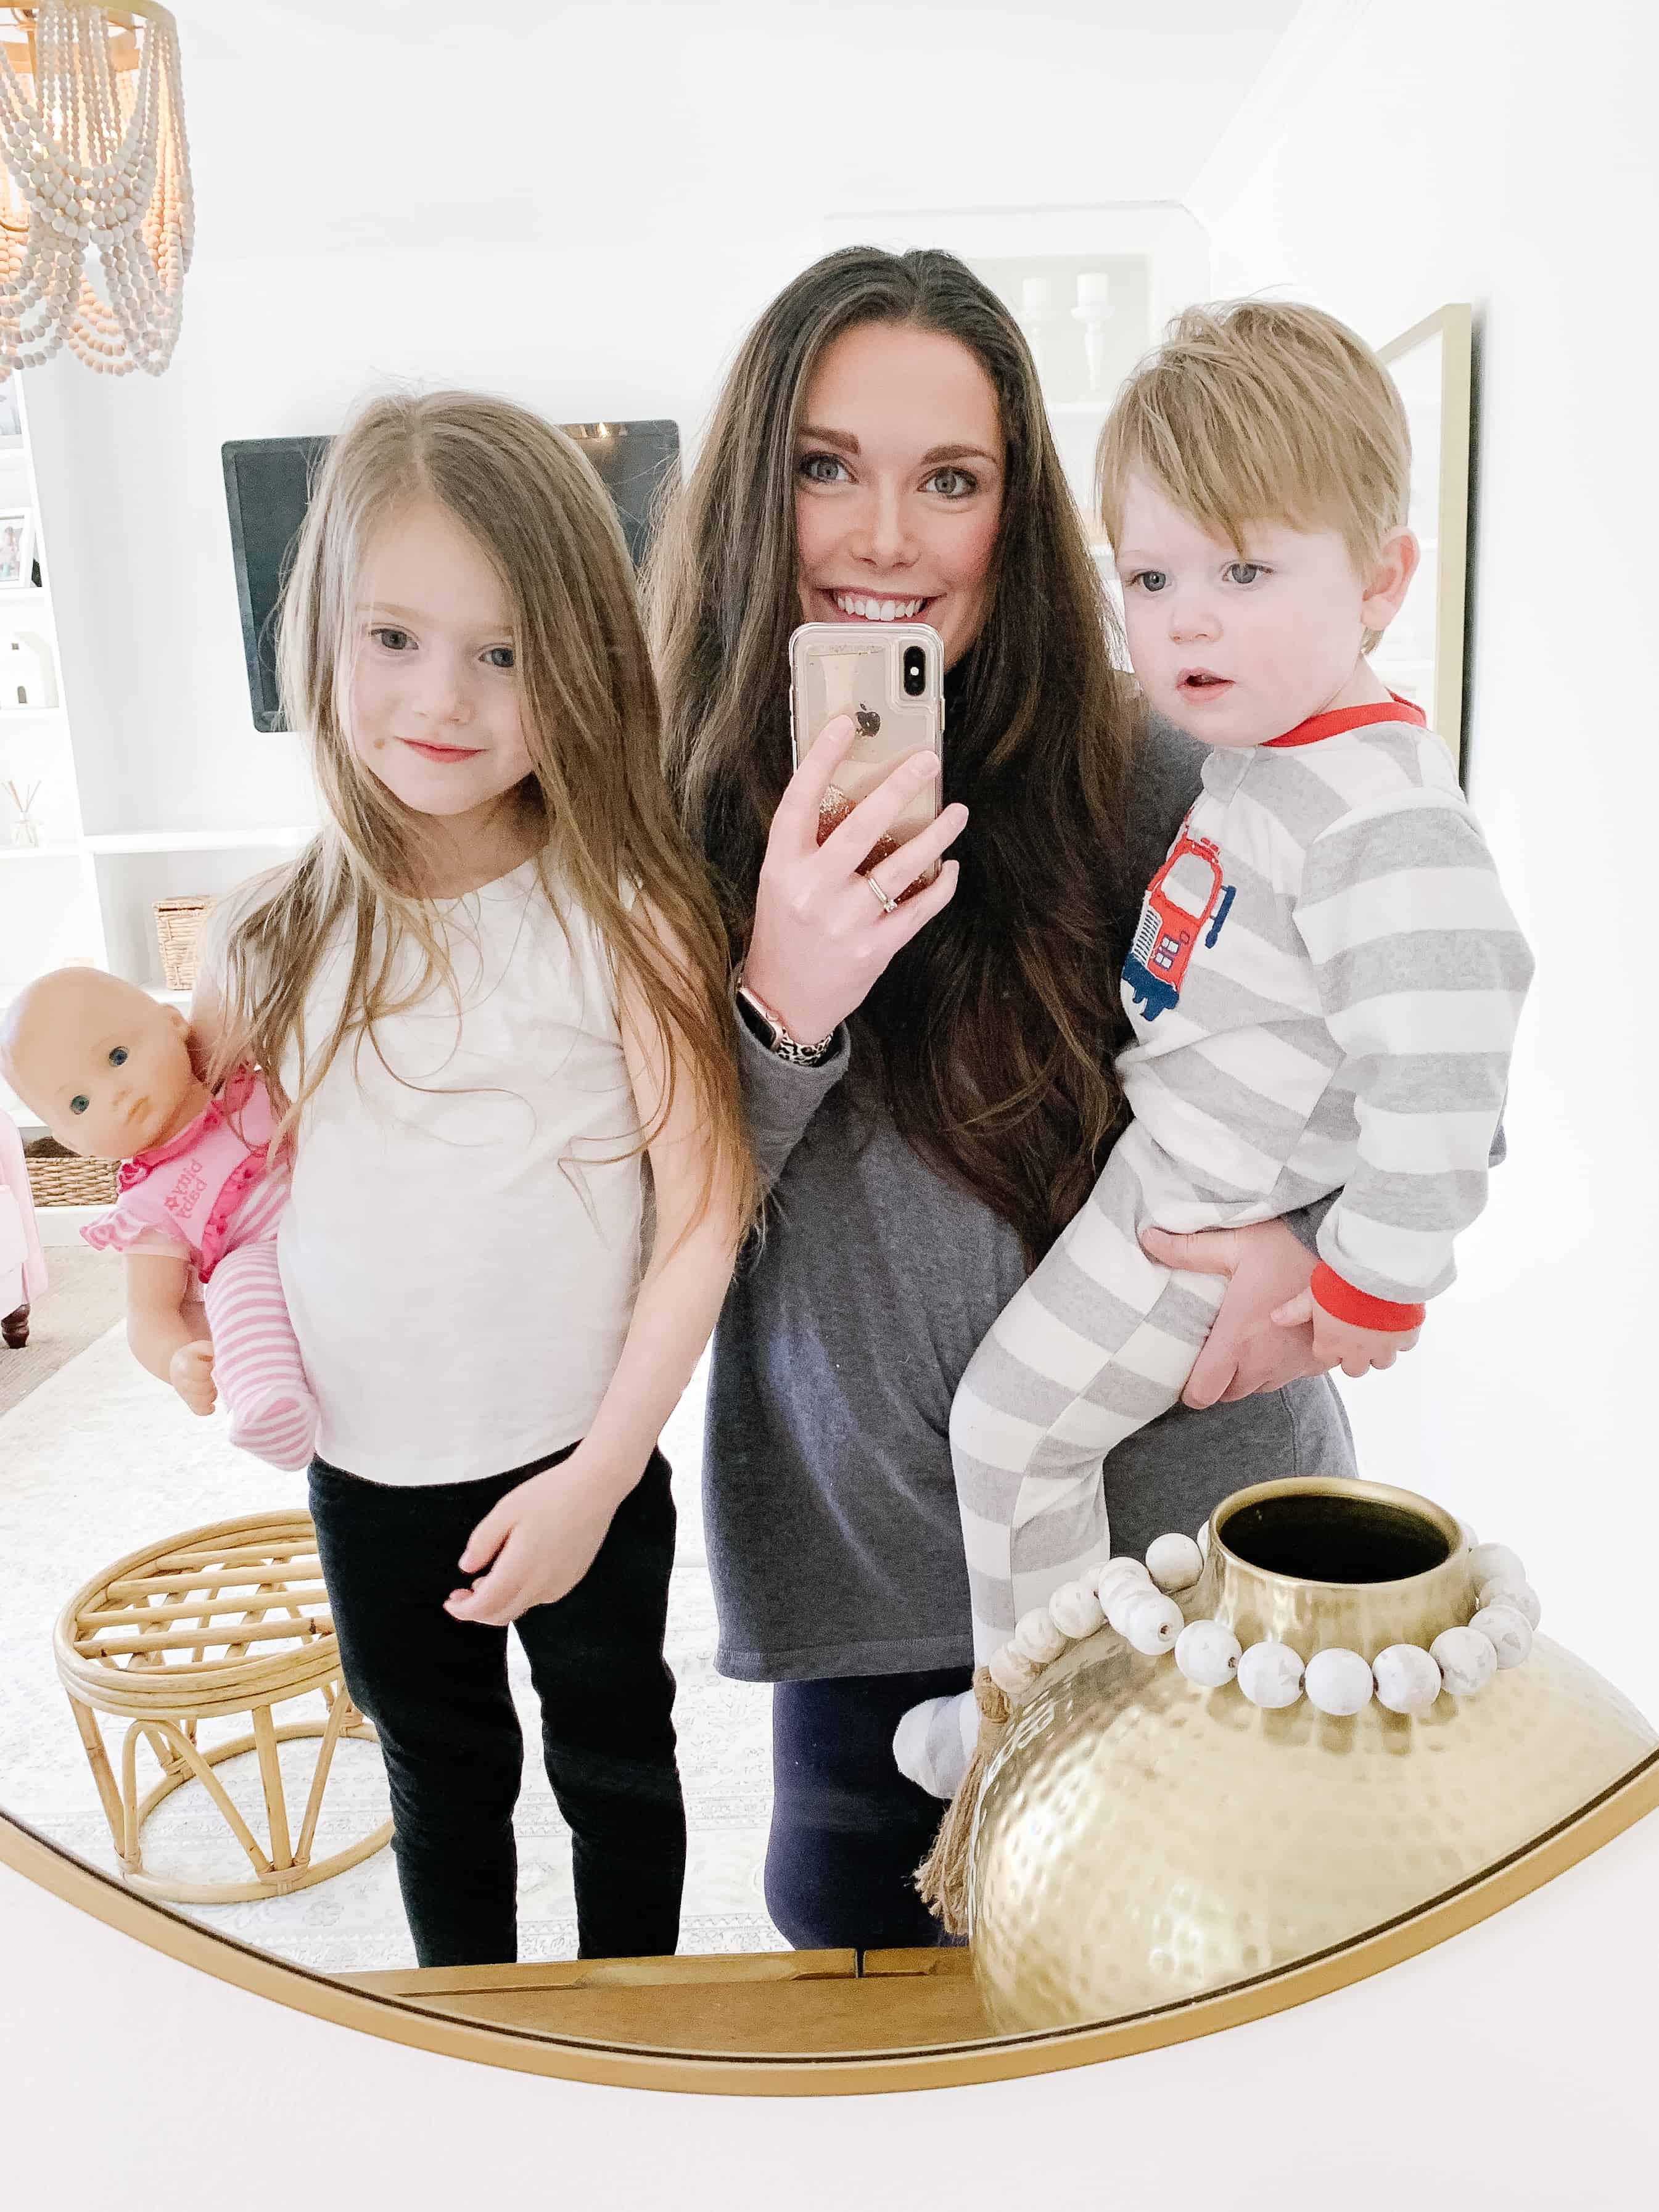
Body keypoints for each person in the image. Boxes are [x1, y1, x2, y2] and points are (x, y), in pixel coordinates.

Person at [651, 247, 1383, 1953]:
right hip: (878, 1594)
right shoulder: (666, 825)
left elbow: (1415, 1077)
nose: (886, 536)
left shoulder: (1167, 772)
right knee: (883, 2015)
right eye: (825, 466)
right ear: (758, 491)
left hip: (1200, 1554)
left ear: (1014, 511)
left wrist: (1309, 1256)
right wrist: (780, 1007)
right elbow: (634, 1243)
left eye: (951, 480)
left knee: (1219, 2016)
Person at [919, 300, 1531, 1799]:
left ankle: (1033, 1730)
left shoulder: (1377, 811)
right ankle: (1048, 1702)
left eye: (1245, 571)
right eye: (1151, 574)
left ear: (1380, 582)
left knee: (1008, 1434)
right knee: (1018, 1436)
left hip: (1197, 1214)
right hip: (1176, 1176)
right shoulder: (1266, 765)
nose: (1187, 616)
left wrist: (1364, 1285)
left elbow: (1451, 1065)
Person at [192, 390, 757, 1968]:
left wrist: (594, 1482)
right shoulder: (266, 935)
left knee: (618, 1773)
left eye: (501, 652)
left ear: (572, 659)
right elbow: (205, 1179)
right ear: (321, 637)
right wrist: (179, 1316)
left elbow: (703, 1214)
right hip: (368, 1475)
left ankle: (629, 2048)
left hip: (579, 1454)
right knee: (440, 1783)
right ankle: (473, 2057)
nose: (443, 697)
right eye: (393, 638)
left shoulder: (629, 913)